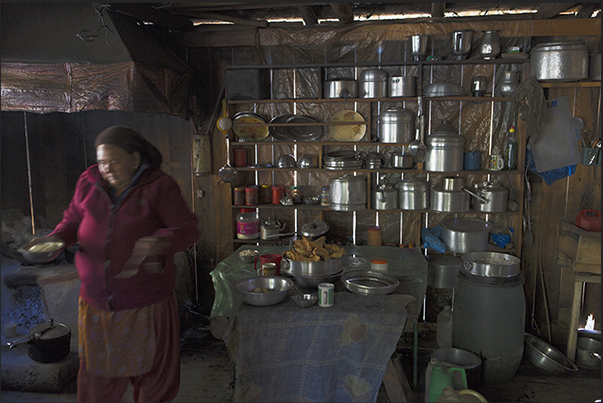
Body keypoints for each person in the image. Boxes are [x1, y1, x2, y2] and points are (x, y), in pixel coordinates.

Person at [23, 126, 200, 402]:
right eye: (102, 161)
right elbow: (72, 219)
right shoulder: (89, 181)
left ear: (135, 158)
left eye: (114, 161)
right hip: (97, 306)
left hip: (146, 304)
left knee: (153, 382)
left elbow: (188, 229)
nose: (106, 168)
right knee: (97, 382)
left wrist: (162, 240)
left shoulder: (159, 186)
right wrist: (55, 240)